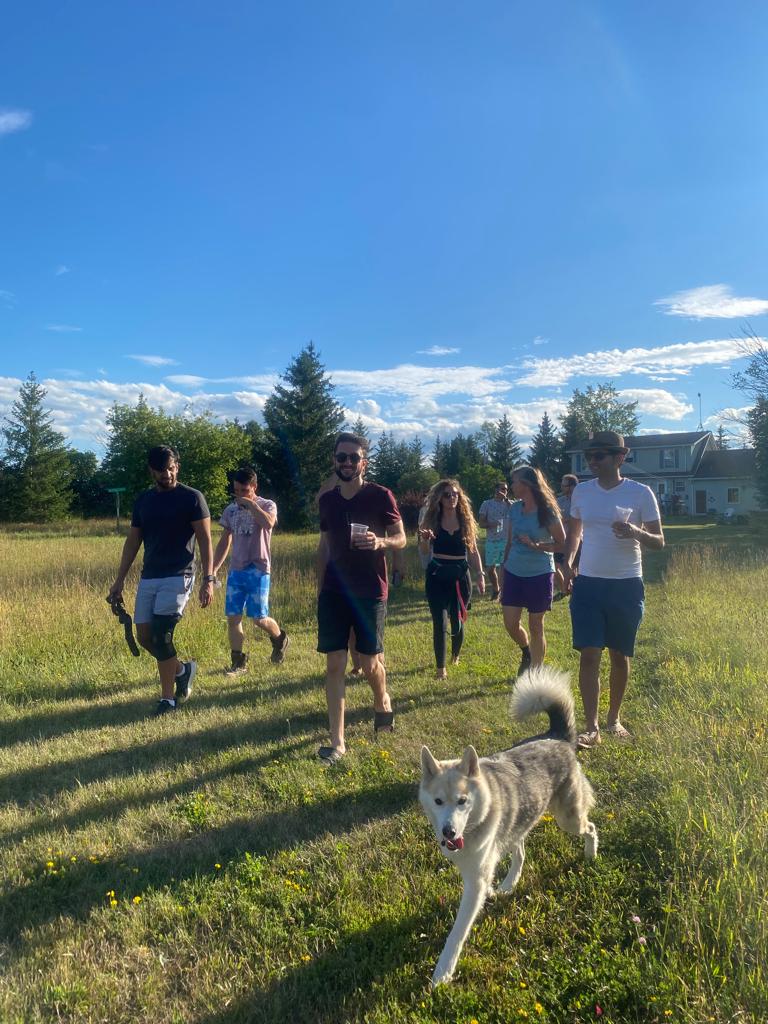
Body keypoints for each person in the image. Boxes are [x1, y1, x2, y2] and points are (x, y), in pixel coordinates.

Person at [562, 431, 664, 748]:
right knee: (589, 654)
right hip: (589, 583)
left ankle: (613, 719)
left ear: (620, 457)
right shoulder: (581, 492)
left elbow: (659, 542)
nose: (592, 461)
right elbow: (574, 533)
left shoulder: (641, 493)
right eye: (589, 456)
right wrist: (566, 561)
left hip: (626, 584)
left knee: (620, 655)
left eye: (600, 456)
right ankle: (591, 727)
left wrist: (634, 531)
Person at [316, 432, 406, 764]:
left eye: (354, 457)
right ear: (334, 461)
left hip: (370, 590)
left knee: (369, 664)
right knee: (335, 663)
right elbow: (324, 545)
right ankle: (337, 742)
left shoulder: (381, 496)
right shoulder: (328, 501)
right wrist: (319, 585)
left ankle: (382, 699)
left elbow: (401, 538)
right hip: (334, 591)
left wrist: (382, 543)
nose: (348, 463)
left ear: (363, 462)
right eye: (342, 457)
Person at [108, 445, 214, 715]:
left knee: (162, 635)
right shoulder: (144, 501)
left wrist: (209, 578)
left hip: (179, 575)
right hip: (150, 576)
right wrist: (119, 580)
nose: (167, 474)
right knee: (145, 637)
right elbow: (133, 541)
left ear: (177, 466)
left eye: (171, 468)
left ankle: (168, 698)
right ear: (151, 471)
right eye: (161, 470)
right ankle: (182, 670)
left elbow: (205, 539)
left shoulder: (192, 498)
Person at [212, 466, 289, 675]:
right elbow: (224, 541)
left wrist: (251, 505)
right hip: (237, 569)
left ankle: (280, 638)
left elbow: (269, 523)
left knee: (258, 618)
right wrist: (213, 570)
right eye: (236, 491)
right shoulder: (230, 511)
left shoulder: (267, 505)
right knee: (233, 617)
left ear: (254, 487)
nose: (239, 495)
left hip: (259, 569)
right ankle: (238, 662)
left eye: (244, 491)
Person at [418, 479, 485, 680]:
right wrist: (425, 540)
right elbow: (423, 551)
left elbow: (473, 552)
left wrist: (480, 575)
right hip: (437, 575)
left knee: (457, 621)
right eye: (447, 495)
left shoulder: (465, 520)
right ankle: (441, 669)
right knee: (440, 623)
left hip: (460, 577)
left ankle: (455, 655)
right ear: (439, 498)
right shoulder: (432, 521)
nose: (451, 498)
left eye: (455, 494)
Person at [500, 465, 565, 675]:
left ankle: (536, 672)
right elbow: (509, 542)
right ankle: (526, 650)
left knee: (536, 625)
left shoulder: (547, 511)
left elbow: (562, 543)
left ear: (526, 484)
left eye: (515, 481)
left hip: (539, 573)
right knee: (510, 624)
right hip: (513, 572)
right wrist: (503, 567)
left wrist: (537, 546)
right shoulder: (514, 509)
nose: (511, 485)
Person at [478, 481, 511, 600]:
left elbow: (518, 513)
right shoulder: (486, 504)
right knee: (490, 568)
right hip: (492, 540)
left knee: (504, 567)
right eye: (502, 489)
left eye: (506, 489)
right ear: (496, 490)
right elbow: (481, 523)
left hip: (506, 540)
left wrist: (506, 499)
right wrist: (491, 524)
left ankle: (503, 593)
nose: (504, 491)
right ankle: (496, 589)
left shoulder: (510, 504)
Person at [553, 473, 579, 599]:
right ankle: (565, 589)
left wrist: (567, 520)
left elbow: (581, 518)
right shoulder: (559, 501)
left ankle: (575, 589)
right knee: (556, 565)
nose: (562, 488)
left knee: (573, 567)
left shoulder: (580, 500)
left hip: (576, 539)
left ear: (572, 486)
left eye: (564, 485)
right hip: (560, 539)